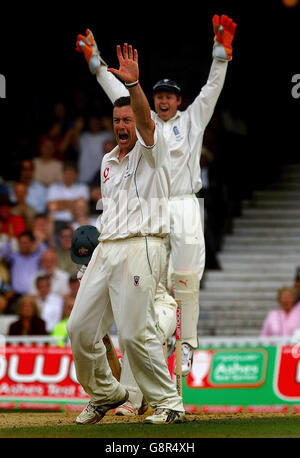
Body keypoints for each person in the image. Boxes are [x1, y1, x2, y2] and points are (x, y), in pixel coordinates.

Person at [76, 14, 237, 377]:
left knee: (186, 279)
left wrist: (221, 54)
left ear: (179, 101)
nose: (163, 101)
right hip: (151, 209)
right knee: (152, 282)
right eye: (158, 96)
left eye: (169, 97)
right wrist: (96, 65)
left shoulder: (192, 120)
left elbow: (211, 89)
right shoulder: (144, 121)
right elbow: (119, 93)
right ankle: (149, 344)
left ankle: (187, 345)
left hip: (184, 204)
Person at [67, 44, 185, 425]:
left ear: (138, 121)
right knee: (80, 329)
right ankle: (106, 393)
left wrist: (134, 85)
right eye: (116, 120)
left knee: (135, 336)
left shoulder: (152, 149)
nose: (121, 126)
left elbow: (148, 125)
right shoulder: (106, 161)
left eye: (128, 120)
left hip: (142, 245)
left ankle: (169, 404)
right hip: (107, 247)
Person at [1, 231, 47, 309]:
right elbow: (3, 255)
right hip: (16, 296)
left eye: (27, 242)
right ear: (18, 244)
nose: (24, 245)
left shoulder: (36, 258)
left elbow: (46, 254)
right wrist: (8, 242)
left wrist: (39, 242)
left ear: (31, 243)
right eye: (22, 242)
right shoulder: (13, 257)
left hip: (34, 296)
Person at [46, 161, 90, 232]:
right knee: (52, 210)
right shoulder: (53, 187)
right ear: (62, 174)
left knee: (81, 209)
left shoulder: (82, 187)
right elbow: (50, 206)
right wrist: (73, 203)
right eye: (66, 173)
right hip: (57, 221)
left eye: (71, 174)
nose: (68, 176)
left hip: (76, 220)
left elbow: (82, 205)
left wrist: (59, 204)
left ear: (76, 175)